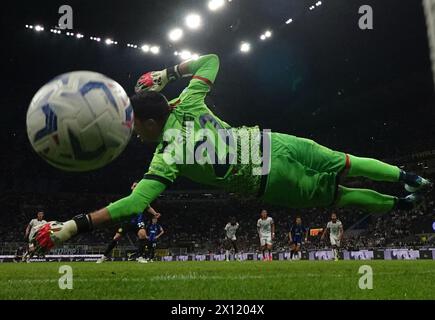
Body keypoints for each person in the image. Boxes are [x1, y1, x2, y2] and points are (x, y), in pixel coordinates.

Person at [30, 53, 432, 253]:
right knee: (344, 160)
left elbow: (136, 201)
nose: (133, 136)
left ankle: (400, 206)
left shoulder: (168, 152)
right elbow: (212, 59)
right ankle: (407, 178)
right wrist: (168, 74)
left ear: (151, 124)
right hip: (272, 142)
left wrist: (73, 226)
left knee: (339, 196)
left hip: (269, 181)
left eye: (134, 129)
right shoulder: (187, 100)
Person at [96, 182, 161, 264]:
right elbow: (119, 206)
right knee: (116, 237)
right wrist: (112, 206)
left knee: (143, 235)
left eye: (137, 186)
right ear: (131, 188)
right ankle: (104, 256)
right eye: (134, 186)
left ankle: (140, 257)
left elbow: (148, 207)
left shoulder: (143, 199)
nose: (136, 187)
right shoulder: (128, 199)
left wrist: (155, 213)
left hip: (138, 221)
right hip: (128, 221)